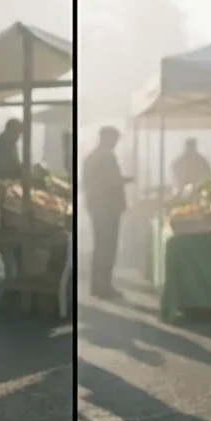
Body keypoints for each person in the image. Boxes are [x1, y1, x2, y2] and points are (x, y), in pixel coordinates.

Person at [83, 126, 131, 299]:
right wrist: (125, 180)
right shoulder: (106, 157)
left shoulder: (91, 157)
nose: (116, 143)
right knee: (107, 247)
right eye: (115, 139)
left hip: (97, 207)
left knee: (100, 247)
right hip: (108, 208)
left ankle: (97, 286)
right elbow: (110, 181)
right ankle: (104, 287)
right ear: (106, 138)